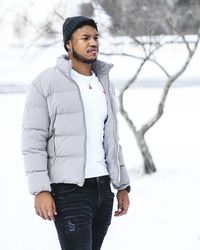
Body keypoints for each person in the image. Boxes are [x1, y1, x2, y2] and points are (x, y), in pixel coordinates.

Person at [21, 16, 131, 250]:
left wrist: (122, 185)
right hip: (70, 191)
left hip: (103, 187)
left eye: (96, 37)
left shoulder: (103, 82)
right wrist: (40, 189)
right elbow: (33, 141)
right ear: (68, 44)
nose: (93, 43)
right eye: (85, 38)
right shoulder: (47, 83)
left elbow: (111, 139)